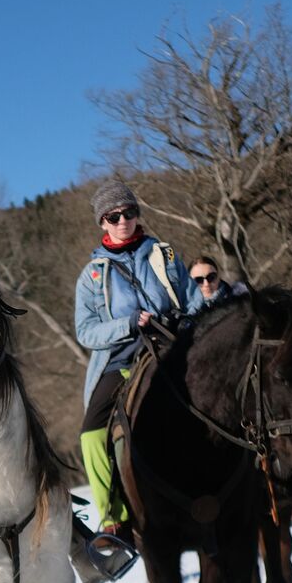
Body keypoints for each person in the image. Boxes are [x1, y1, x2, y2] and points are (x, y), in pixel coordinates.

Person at [74, 182, 201, 553]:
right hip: (122, 359)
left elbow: (194, 303)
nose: (124, 221)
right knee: (90, 435)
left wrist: (183, 323)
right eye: (115, 217)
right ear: (103, 223)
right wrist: (128, 324)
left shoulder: (165, 255)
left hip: (173, 349)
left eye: (130, 213)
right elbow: (86, 331)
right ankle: (114, 520)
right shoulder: (92, 276)